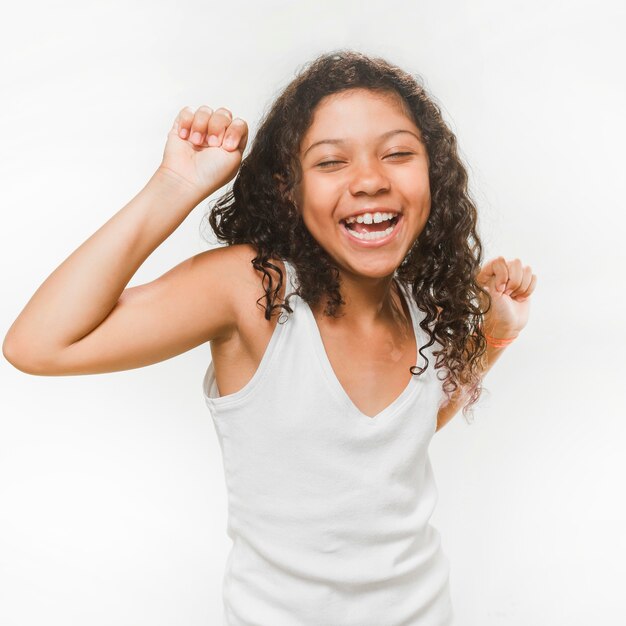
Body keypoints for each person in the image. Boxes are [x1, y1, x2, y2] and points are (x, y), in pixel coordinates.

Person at [3, 50, 536, 625]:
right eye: (332, 162)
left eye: (399, 153)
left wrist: (495, 337)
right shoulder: (258, 293)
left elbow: (404, 433)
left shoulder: (417, 305)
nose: (370, 180)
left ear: (431, 171)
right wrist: (175, 186)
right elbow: (38, 344)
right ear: (289, 188)